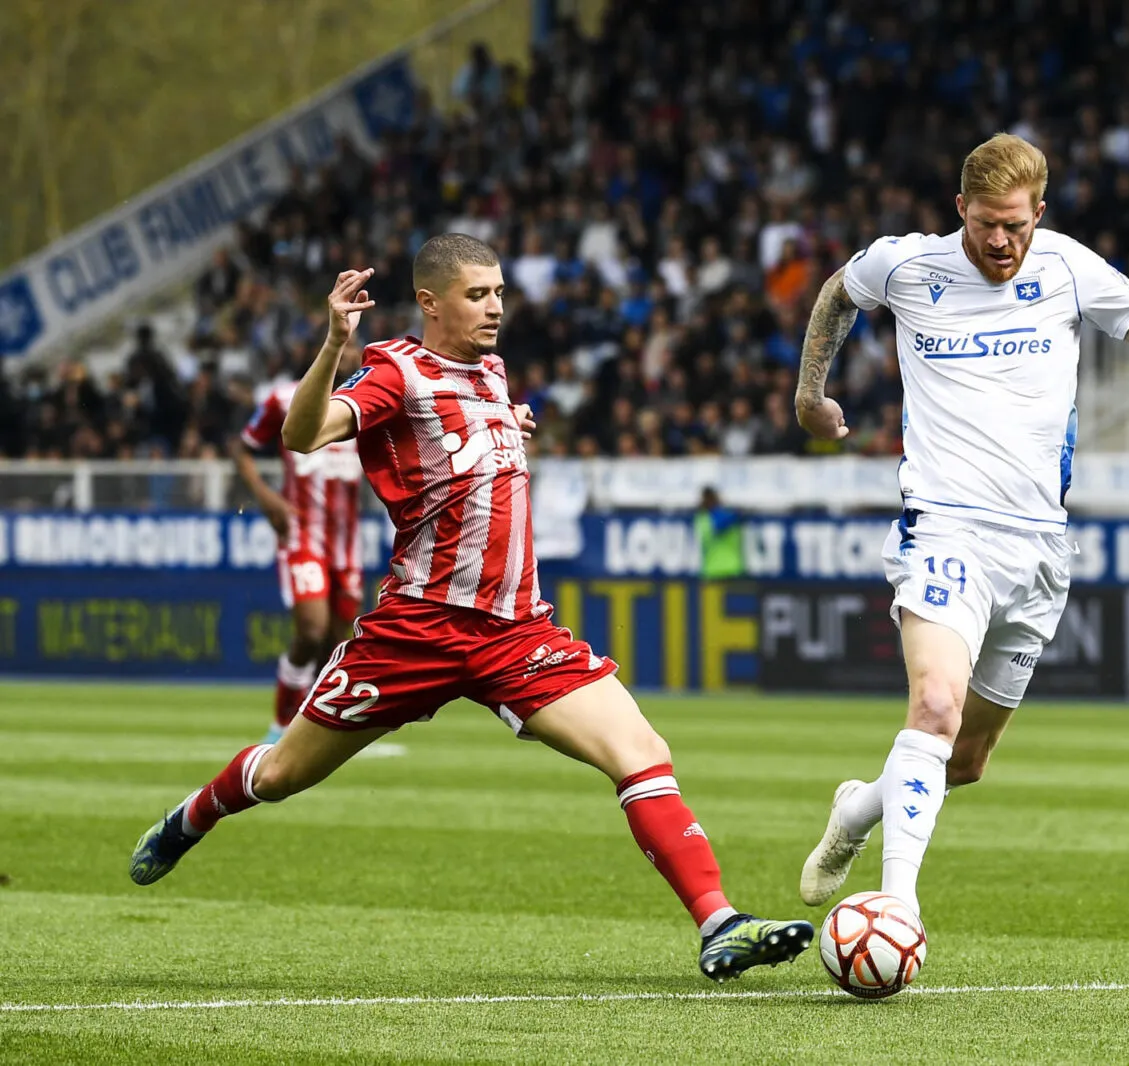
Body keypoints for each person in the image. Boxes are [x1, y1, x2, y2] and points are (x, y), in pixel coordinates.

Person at [132, 236, 812, 982]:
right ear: (431, 302)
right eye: (477, 295)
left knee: (641, 752)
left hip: (516, 631)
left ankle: (719, 922)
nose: (495, 308)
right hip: (415, 632)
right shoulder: (394, 373)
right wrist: (332, 344)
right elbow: (301, 435)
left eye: (498, 293)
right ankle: (195, 815)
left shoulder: (492, 375)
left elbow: (473, 457)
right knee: (285, 774)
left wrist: (508, 432)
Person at [791, 134, 1129, 914]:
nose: (1000, 242)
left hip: (1039, 548)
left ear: (1038, 214)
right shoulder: (908, 265)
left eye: (1015, 225)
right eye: (985, 223)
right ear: (961, 210)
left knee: (967, 758)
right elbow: (838, 293)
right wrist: (810, 395)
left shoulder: (1066, 266)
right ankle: (896, 908)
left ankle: (856, 810)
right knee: (936, 708)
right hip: (944, 527)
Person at [229, 346, 366, 742]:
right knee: (310, 630)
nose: (352, 353)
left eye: (358, 345)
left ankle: (310, 735)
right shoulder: (283, 399)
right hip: (302, 535)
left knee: (335, 646)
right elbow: (242, 448)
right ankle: (279, 728)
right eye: (346, 343)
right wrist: (265, 497)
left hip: (347, 544)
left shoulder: (372, 399)